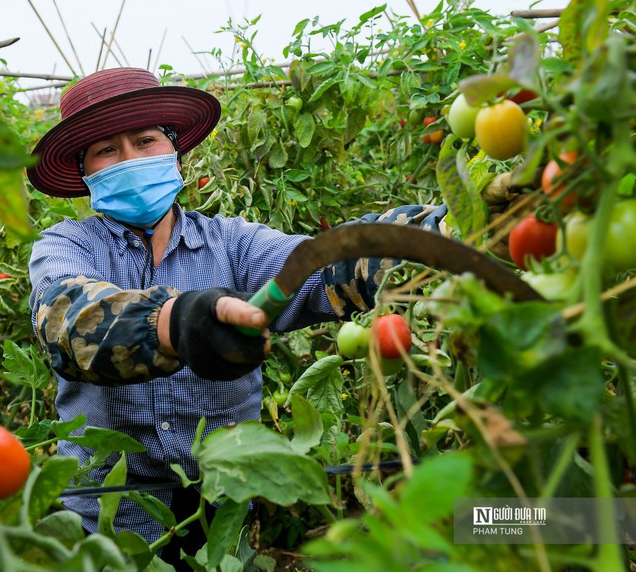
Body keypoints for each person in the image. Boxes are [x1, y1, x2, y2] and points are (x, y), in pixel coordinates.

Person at [26, 67, 446, 563]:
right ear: (86, 170)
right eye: (107, 150)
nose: (130, 159)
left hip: (221, 517)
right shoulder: (69, 246)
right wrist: (176, 321)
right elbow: (66, 320)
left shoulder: (234, 246)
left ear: (175, 149)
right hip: (106, 526)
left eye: (144, 141)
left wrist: (442, 231)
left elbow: (322, 263)